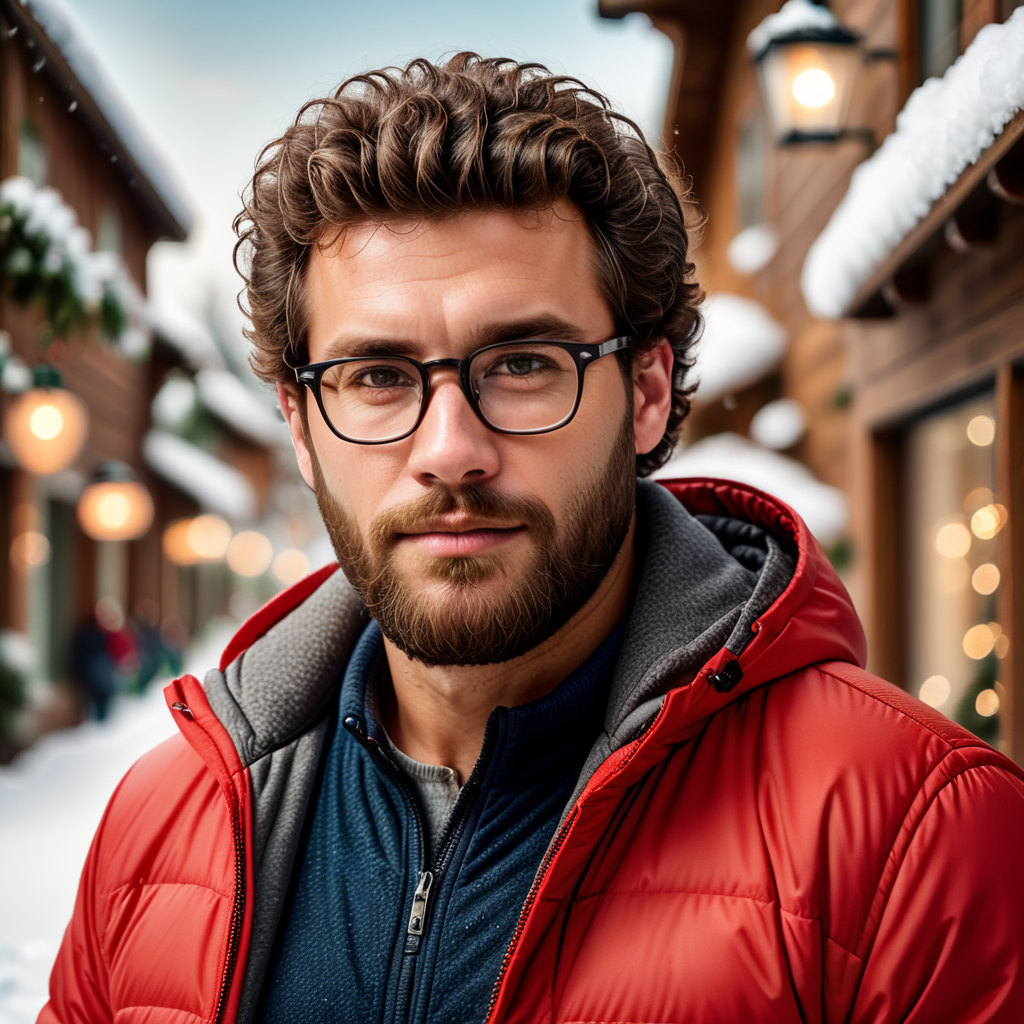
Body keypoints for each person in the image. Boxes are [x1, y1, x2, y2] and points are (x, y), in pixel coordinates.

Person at [41, 54, 1024, 1024]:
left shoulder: (913, 841)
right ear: (301, 429)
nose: (450, 450)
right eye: (378, 376)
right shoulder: (162, 825)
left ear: (643, 393)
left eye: (520, 363)